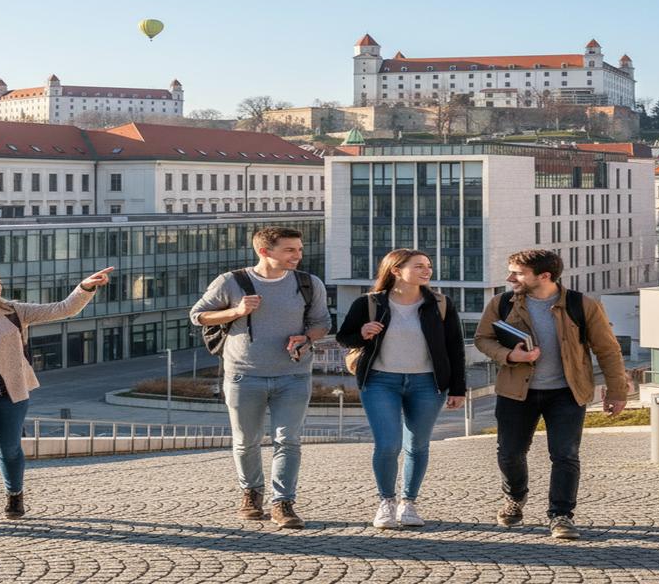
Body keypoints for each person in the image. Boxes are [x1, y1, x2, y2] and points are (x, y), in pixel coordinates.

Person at [0, 265, 114, 536]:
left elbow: (63, 308)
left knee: (9, 450)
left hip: (7, 393)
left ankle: (14, 493)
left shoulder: (14, 311)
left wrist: (85, 287)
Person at [474, 249, 628, 540]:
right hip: (516, 392)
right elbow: (483, 339)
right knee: (510, 453)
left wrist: (617, 391)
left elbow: (607, 349)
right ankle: (515, 497)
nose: (510, 278)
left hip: (567, 393)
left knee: (565, 455)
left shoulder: (582, 305)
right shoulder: (503, 302)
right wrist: (509, 355)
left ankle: (561, 516)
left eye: (517, 273)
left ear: (544, 276)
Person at [190, 226, 329, 529]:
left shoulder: (308, 283)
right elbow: (197, 315)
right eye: (290, 250)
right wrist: (236, 311)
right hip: (244, 375)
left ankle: (283, 503)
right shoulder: (232, 281)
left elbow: (322, 323)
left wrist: (306, 338)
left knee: (288, 440)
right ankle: (251, 494)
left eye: (300, 249)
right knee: (246, 441)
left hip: (293, 375)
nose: (298, 255)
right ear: (265, 251)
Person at [336, 249, 466, 529]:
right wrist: (362, 332)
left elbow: (455, 347)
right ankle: (386, 502)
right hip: (381, 381)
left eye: (428, 266)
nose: (426, 271)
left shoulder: (440, 304)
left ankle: (409, 503)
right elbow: (343, 336)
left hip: (427, 384)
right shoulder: (369, 303)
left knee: (417, 445)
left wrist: (458, 388)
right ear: (396, 270)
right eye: (419, 266)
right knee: (388, 444)